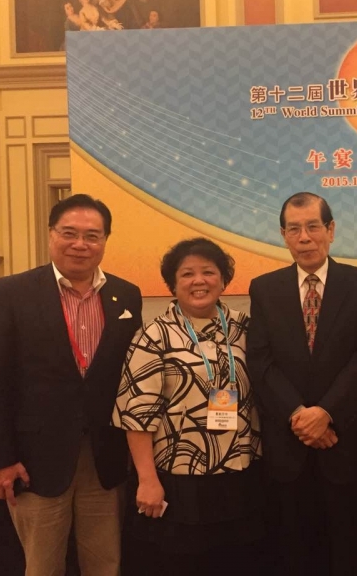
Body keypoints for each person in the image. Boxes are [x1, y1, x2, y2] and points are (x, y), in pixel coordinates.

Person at [0, 194, 143, 576]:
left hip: (104, 458)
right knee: (43, 566)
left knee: (106, 564)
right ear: (51, 234)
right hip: (35, 460)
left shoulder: (126, 295)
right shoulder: (11, 293)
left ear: (105, 240)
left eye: (92, 236)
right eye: (69, 233)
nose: (80, 244)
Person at [247, 192, 357, 576]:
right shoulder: (264, 288)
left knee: (349, 552)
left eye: (312, 227)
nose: (304, 237)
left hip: (344, 442)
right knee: (294, 552)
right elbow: (261, 361)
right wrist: (299, 416)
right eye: (294, 229)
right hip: (288, 446)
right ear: (283, 235)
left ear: (331, 230)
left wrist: (326, 413)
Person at [112, 238, 263, 575]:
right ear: (173, 283)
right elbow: (137, 415)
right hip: (180, 480)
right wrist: (147, 480)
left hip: (240, 475)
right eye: (187, 274)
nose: (199, 281)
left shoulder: (245, 328)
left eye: (208, 272)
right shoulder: (154, 335)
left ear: (223, 280)